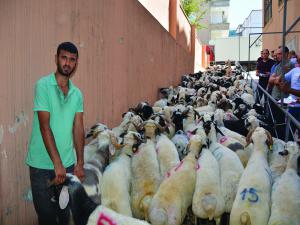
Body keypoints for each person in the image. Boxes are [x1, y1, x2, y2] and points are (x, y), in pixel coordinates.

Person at [26, 42, 85, 225]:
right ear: (56, 59)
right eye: (64, 57)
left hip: (67, 165)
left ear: (76, 63)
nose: (67, 63)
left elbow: (78, 128)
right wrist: (56, 163)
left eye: (72, 60)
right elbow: (45, 126)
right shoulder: (43, 86)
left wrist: (80, 162)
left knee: (64, 215)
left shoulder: (77, 94)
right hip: (41, 166)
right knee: (47, 218)